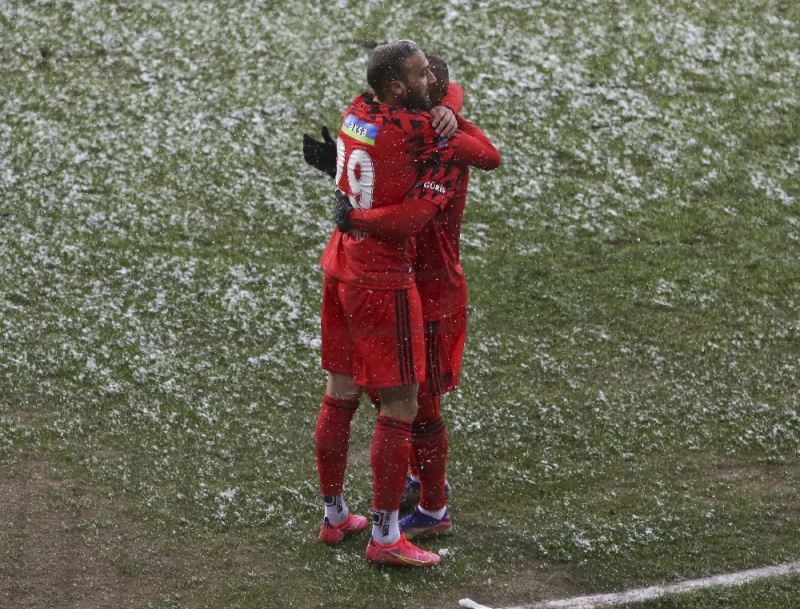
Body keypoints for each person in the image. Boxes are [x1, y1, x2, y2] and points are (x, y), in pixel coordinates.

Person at [314, 40, 489, 567]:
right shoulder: (425, 140)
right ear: (402, 90)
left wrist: (345, 183)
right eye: (420, 80)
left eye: (432, 84)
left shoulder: (365, 112)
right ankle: (400, 521)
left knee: (403, 402)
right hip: (393, 278)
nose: (428, 88)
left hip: (398, 278)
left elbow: (480, 151)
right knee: (403, 405)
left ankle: (424, 503)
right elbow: (478, 158)